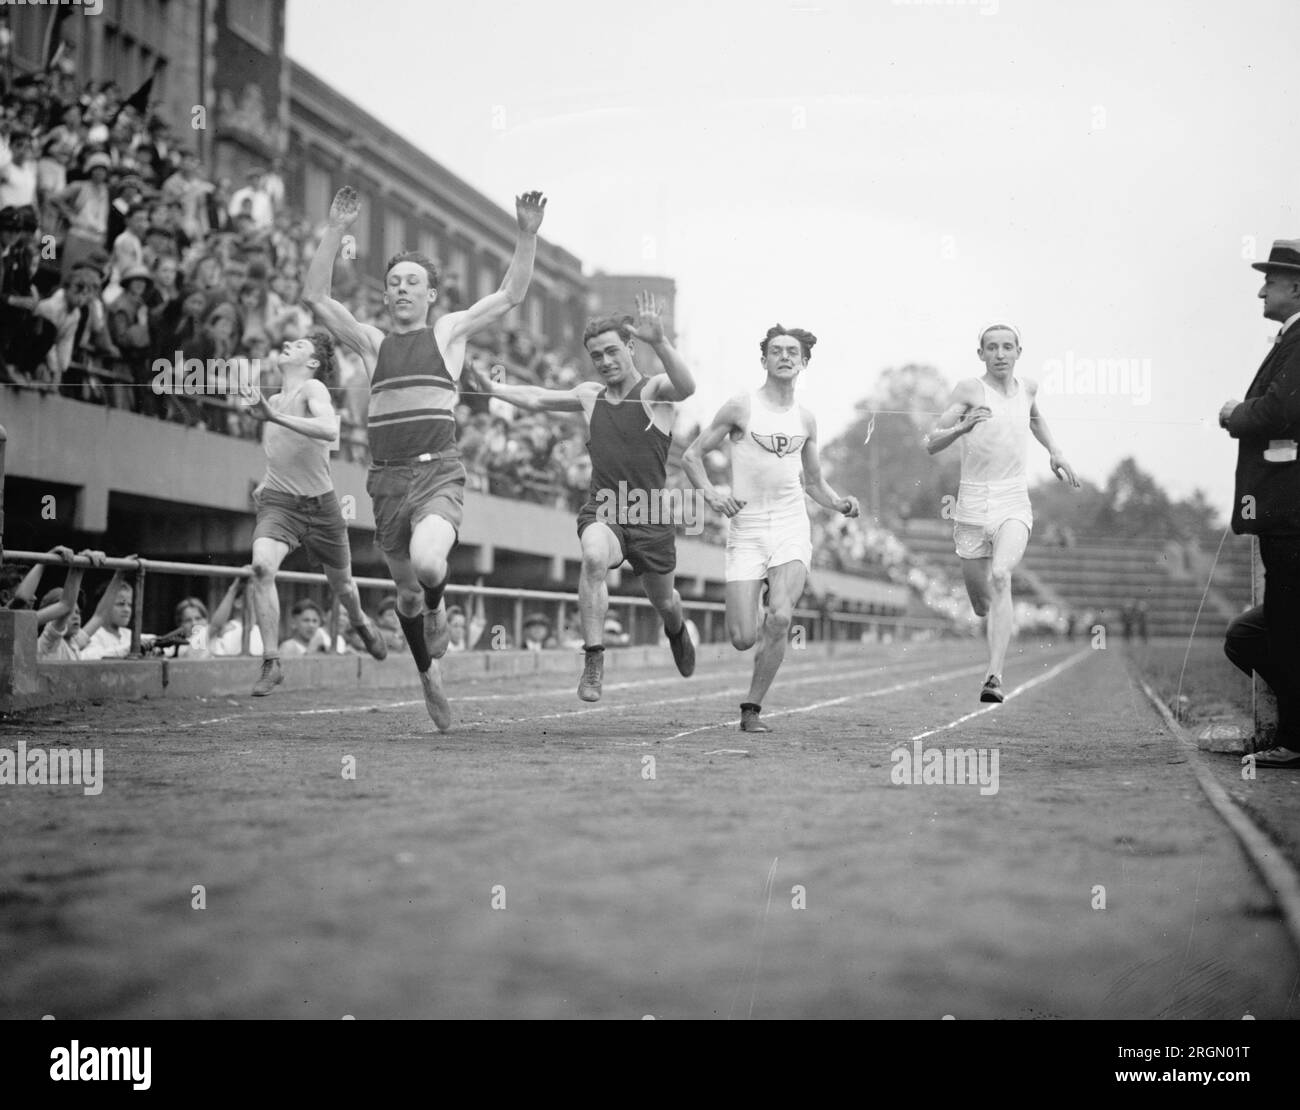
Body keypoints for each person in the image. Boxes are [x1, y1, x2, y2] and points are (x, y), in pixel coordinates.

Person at [303, 185, 546, 730]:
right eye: (394, 283)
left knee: (430, 566)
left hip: (438, 470)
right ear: (386, 296)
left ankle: (440, 609)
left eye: (413, 282)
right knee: (405, 596)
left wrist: (525, 236)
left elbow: (509, 294)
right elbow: (317, 295)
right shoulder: (371, 342)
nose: (402, 289)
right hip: (387, 482)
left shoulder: (447, 332)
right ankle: (428, 675)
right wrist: (336, 228)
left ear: (432, 293)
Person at [473, 293, 697, 701]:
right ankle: (594, 658)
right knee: (594, 557)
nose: (606, 361)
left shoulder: (654, 393)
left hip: (649, 515)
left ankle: (676, 626)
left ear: (630, 348)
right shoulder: (590, 395)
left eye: (613, 351)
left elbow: (687, 385)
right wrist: (490, 387)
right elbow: (538, 397)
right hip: (605, 507)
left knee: (664, 600)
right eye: (597, 355)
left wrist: (660, 343)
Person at [682, 323, 859, 733]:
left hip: (790, 525)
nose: (784, 356)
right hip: (746, 528)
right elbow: (692, 456)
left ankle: (752, 708)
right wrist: (711, 494)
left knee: (780, 617)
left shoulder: (807, 419)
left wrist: (838, 502)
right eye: (776, 350)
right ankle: (756, 609)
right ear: (763, 360)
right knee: (743, 637)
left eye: (792, 352)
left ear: (804, 362)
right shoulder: (740, 407)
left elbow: (812, 482)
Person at [924, 323, 1078, 702]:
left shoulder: (1028, 388)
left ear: (1018, 352)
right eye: (991, 347)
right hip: (972, 504)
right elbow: (931, 441)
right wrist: (961, 428)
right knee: (981, 604)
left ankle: (994, 676)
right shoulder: (969, 390)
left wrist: (1055, 451)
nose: (1000, 354)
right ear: (981, 354)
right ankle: (991, 635)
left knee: (1002, 574)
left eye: (1007, 347)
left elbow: (1035, 417)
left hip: (1012, 500)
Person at [241, 330, 387, 695]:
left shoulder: (313, 390)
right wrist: (264, 482)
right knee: (261, 568)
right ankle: (272, 662)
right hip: (279, 503)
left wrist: (273, 415)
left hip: (321, 507)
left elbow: (327, 429)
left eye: (300, 345)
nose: (288, 343)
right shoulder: (272, 399)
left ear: (313, 363)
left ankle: (360, 622)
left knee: (344, 587)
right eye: (289, 341)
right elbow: (282, 454)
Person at [1220, 238, 1300, 767]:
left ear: (1295, 286)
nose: (1260, 290)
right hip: (1283, 512)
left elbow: (1277, 412)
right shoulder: (1287, 341)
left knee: (1285, 625)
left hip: (1291, 512)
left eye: (1268, 281)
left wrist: (1233, 412)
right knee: (1262, 629)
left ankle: (1294, 739)